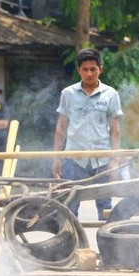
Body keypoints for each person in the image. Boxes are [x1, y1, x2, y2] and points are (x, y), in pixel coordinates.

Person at [52, 48, 122, 220]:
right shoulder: (68, 94)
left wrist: (114, 160)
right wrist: (56, 157)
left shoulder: (110, 94)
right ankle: (70, 244)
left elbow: (115, 130)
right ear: (78, 70)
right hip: (74, 158)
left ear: (100, 69)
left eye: (93, 69)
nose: (89, 73)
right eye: (85, 69)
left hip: (102, 158)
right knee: (69, 206)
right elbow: (61, 127)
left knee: (105, 208)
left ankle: (108, 245)